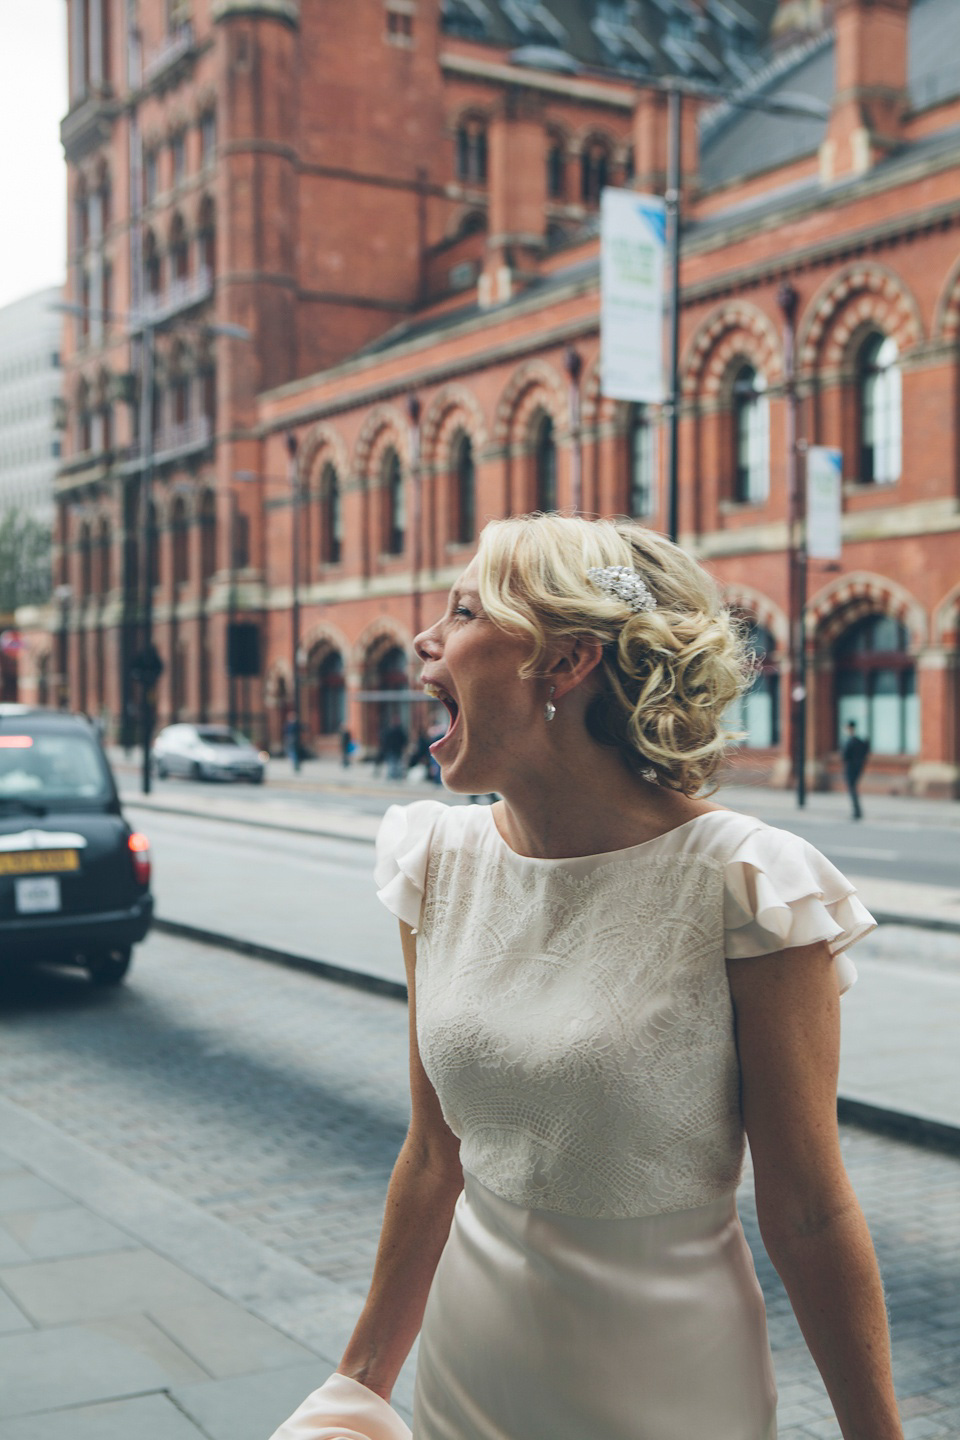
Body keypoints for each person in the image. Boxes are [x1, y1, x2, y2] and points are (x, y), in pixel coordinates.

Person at [270, 515, 902, 1440]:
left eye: (465, 611)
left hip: (670, 1387)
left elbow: (808, 1210)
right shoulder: (434, 862)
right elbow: (432, 1155)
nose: (425, 639)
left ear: (562, 662)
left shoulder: (750, 883)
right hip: (468, 1372)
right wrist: (356, 1386)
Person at [842, 719, 870, 820]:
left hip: (851, 768)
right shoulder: (858, 741)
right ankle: (857, 810)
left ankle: (857, 811)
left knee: (852, 789)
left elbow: (845, 756)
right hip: (858, 768)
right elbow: (866, 751)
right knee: (853, 789)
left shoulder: (851, 741)